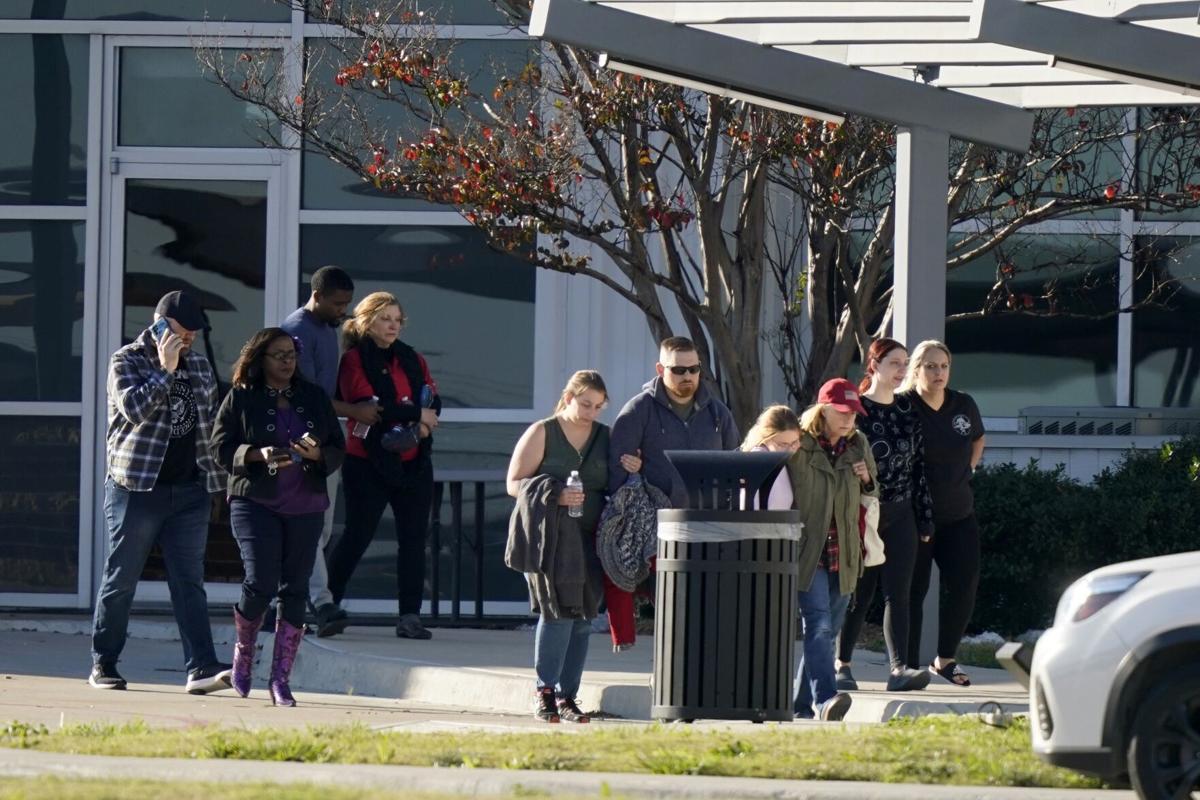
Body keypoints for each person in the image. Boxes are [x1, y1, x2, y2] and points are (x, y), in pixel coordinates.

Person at [89, 290, 232, 694]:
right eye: (179, 333)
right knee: (122, 579)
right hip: (136, 486)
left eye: (191, 335)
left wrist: (216, 484)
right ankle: (104, 662)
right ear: (158, 325)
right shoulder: (126, 361)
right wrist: (165, 370)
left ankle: (201, 666)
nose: (186, 341)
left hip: (188, 489)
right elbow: (134, 410)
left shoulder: (201, 367)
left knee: (189, 581)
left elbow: (207, 431)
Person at [211, 328, 346, 706]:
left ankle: (280, 680)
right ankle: (243, 657)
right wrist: (257, 454)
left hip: (306, 504)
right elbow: (220, 447)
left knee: (296, 590)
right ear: (260, 360)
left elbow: (338, 446)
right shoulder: (241, 397)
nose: (288, 362)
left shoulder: (314, 397)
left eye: (291, 355)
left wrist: (319, 456)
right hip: (256, 502)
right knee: (261, 582)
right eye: (279, 356)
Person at [605, 337, 739, 649]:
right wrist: (632, 475)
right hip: (657, 529)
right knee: (671, 611)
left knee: (703, 613)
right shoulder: (639, 410)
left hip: (707, 527)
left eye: (694, 369)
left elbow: (735, 460)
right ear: (660, 368)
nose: (688, 377)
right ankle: (669, 682)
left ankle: (695, 681)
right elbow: (617, 469)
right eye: (679, 370)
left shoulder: (717, 412)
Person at [325, 292, 441, 640]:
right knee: (358, 534)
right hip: (368, 461)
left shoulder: (412, 358)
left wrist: (421, 424)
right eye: (384, 318)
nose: (392, 325)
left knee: (413, 539)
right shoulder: (354, 360)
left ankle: (410, 616)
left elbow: (432, 399)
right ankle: (327, 605)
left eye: (397, 319)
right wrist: (415, 413)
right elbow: (369, 405)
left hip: (414, 459)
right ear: (366, 322)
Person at [505, 370, 615, 723]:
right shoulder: (543, 431)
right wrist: (554, 492)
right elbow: (513, 483)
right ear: (568, 397)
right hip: (548, 538)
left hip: (590, 538)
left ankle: (569, 695)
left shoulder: (604, 437)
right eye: (585, 404)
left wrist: (633, 465)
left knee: (583, 618)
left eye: (598, 407)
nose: (590, 413)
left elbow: (616, 483)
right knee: (556, 614)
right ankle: (545, 691)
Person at [835, 339, 935, 693]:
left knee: (899, 594)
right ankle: (842, 664)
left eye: (905, 364)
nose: (902, 371)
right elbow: (837, 457)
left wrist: (924, 517)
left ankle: (899, 669)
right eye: (895, 363)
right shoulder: (857, 410)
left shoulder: (908, 410)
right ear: (873, 366)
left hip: (902, 510)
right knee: (860, 593)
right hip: (866, 512)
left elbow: (919, 467)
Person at [280, 265, 366, 638]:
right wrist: (357, 412)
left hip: (323, 443)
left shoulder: (325, 329)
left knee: (322, 528)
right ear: (316, 296)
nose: (342, 311)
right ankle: (321, 602)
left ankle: (290, 603)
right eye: (337, 304)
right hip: (302, 444)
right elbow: (308, 396)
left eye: (346, 304)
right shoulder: (298, 331)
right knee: (311, 527)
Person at [787, 378, 878, 721]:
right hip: (808, 551)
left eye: (853, 412)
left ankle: (798, 706)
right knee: (819, 625)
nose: (848, 419)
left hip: (845, 551)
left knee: (825, 631)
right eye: (841, 411)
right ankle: (825, 699)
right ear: (822, 410)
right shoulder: (801, 444)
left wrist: (867, 476)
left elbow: (873, 491)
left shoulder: (859, 444)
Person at [900, 340, 986, 687]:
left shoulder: (963, 404)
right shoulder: (904, 406)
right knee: (913, 591)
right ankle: (906, 665)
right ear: (917, 369)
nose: (939, 373)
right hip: (916, 515)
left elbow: (978, 438)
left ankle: (945, 658)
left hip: (959, 514)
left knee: (965, 585)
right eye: (931, 366)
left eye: (944, 366)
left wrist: (968, 469)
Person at [740, 404, 802, 507]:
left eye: (794, 442)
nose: (790, 449)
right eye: (783, 444)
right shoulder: (757, 462)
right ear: (766, 438)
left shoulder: (780, 459)